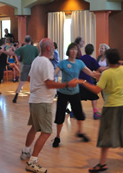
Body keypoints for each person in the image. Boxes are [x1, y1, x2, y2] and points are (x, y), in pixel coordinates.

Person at [20, 38, 78, 173]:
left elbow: (30, 78)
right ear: (48, 48)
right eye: (53, 46)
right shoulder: (45, 63)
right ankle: (32, 162)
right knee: (46, 132)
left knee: (34, 127)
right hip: (42, 102)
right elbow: (50, 84)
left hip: (35, 100)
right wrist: (68, 84)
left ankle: (26, 151)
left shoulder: (36, 60)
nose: (54, 49)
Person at [77, 48, 123, 172]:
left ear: (108, 60)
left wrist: (83, 82)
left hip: (112, 106)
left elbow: (96, 90)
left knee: (105, 134)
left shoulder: (107, 74)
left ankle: (102, 164)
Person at [52, 42, 100, 148]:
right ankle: (57, 137)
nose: (74, 51)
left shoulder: (80, 63)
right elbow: (54, 73)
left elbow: (91, 74)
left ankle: (80, 132)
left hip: (75, 93)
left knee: (79, 114)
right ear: (68, 51)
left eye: (76, 49)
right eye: (72, 49)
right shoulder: (63, 63)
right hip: (63, 93)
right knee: (60, 115)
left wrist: (105, 73)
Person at [0, 35, 39, 103]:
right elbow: (38, 57)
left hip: (25, 66)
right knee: (35, 81)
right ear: (30, 41)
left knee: (21, 82)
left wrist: (3, 52)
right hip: (33, 66)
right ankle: (36, 96)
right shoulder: (35, 48)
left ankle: (15, 97)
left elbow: (12, 53)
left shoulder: (22, 48)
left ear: (24, 41)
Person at [79, 44, 107, 119]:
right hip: (87, 79)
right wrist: (109, 68)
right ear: (92, 51)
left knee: (78, 96)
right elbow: (99, 69)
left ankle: (73, 112)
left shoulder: (80, 58)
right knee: (94, 95)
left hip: (79, 80)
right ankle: (95, 112)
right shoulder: (92, 59)